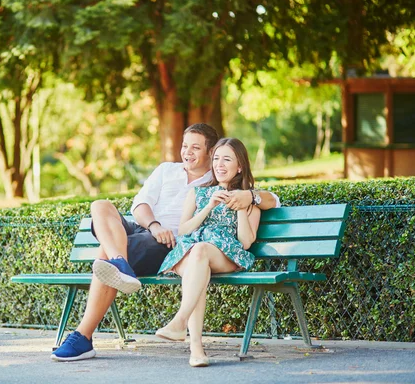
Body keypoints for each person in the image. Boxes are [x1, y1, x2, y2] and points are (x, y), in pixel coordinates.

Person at [51, 125, 280, 362]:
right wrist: (154, 225)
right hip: (146, 228)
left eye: (195, 147)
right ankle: (121, 264)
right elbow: (139, 204)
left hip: (170, 243)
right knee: (100, 206)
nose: (187, 152)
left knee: (106, 255)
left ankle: (83, 334)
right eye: (184, 146)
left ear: (210, 152)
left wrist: (248, 197)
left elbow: (270, 199)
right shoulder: (166, 170)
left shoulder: (216, 178)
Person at [154, 137, 260, 367]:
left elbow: (245, 242)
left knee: (200, 254)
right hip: (190, 249)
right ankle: (195, 350)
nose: (220, 165)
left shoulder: (248, 197)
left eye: (227, 160)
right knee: (197, 263)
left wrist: (240, 206)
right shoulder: (198, 193)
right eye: (216, 159)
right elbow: (183, 230)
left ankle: (182, 326)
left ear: (239, 166)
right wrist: (209, 207)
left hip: (225, 254)